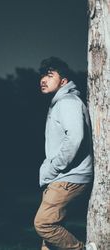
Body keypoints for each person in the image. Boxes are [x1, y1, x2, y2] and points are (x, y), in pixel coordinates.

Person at [34, 57, 97, 250]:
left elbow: (75, 138)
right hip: (61, 177)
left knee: (44, 224)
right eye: (42, 75)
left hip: (68, 177)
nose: (43, 79)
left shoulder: (67, 102)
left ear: (63, 80)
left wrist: (53, 168)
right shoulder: (59, 103)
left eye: (49, 75)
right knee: (50, 242)